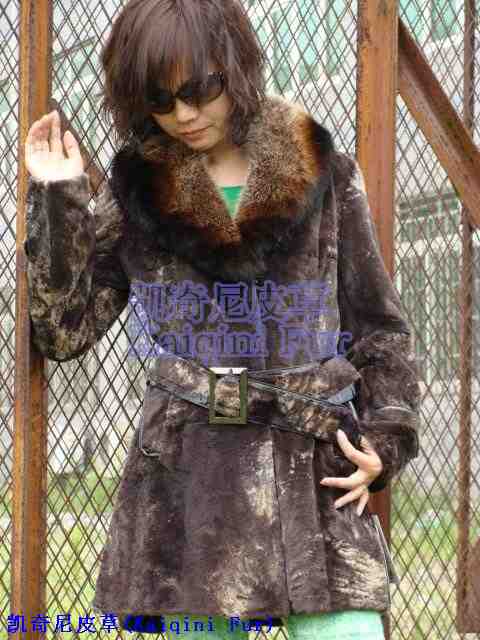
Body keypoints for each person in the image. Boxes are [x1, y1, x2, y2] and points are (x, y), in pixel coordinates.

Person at [23, 1, 422, 639]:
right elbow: (64, 331)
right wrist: (58, 198)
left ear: (235, 67)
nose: (184, 114)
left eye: (199, 89)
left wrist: (385, 439)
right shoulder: (137, 188)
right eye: (160, 99)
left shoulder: (322, 170)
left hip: (312, 468)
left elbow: (379, 327)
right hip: (189, 482)